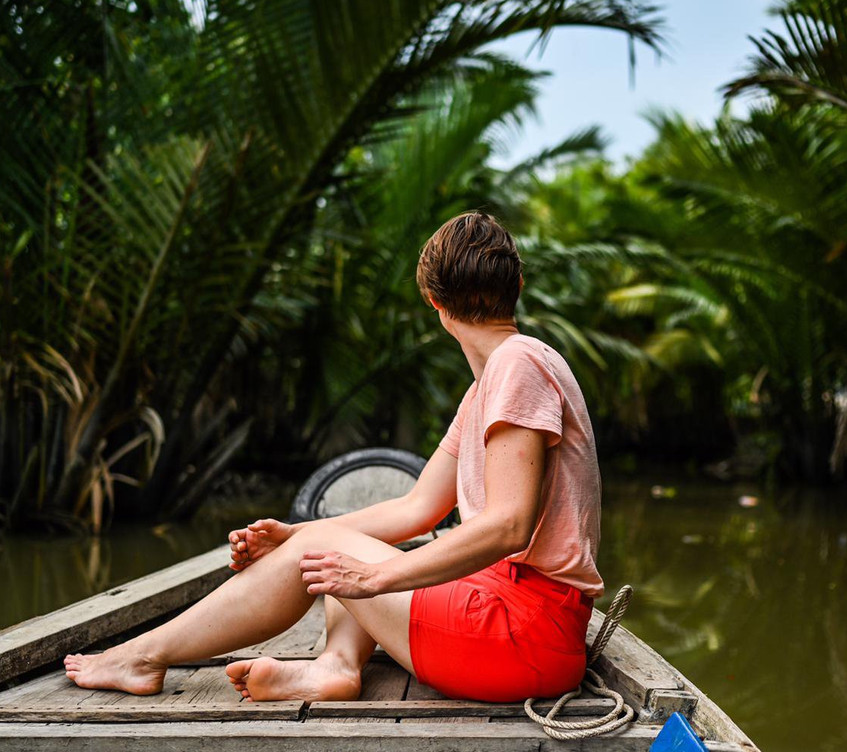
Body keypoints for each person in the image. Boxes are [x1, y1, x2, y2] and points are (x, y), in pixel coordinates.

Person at [63, 211, 604, 703]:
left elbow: (509, 526)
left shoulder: (517, 363)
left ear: (434, 303)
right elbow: (416, 508)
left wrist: (369, 579)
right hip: (512, 624)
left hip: (521, 635)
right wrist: (298, 535)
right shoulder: (492, 383)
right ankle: (336, 666)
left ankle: (143, 655)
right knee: (336, 545)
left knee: (339, 553)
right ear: (518, 287)